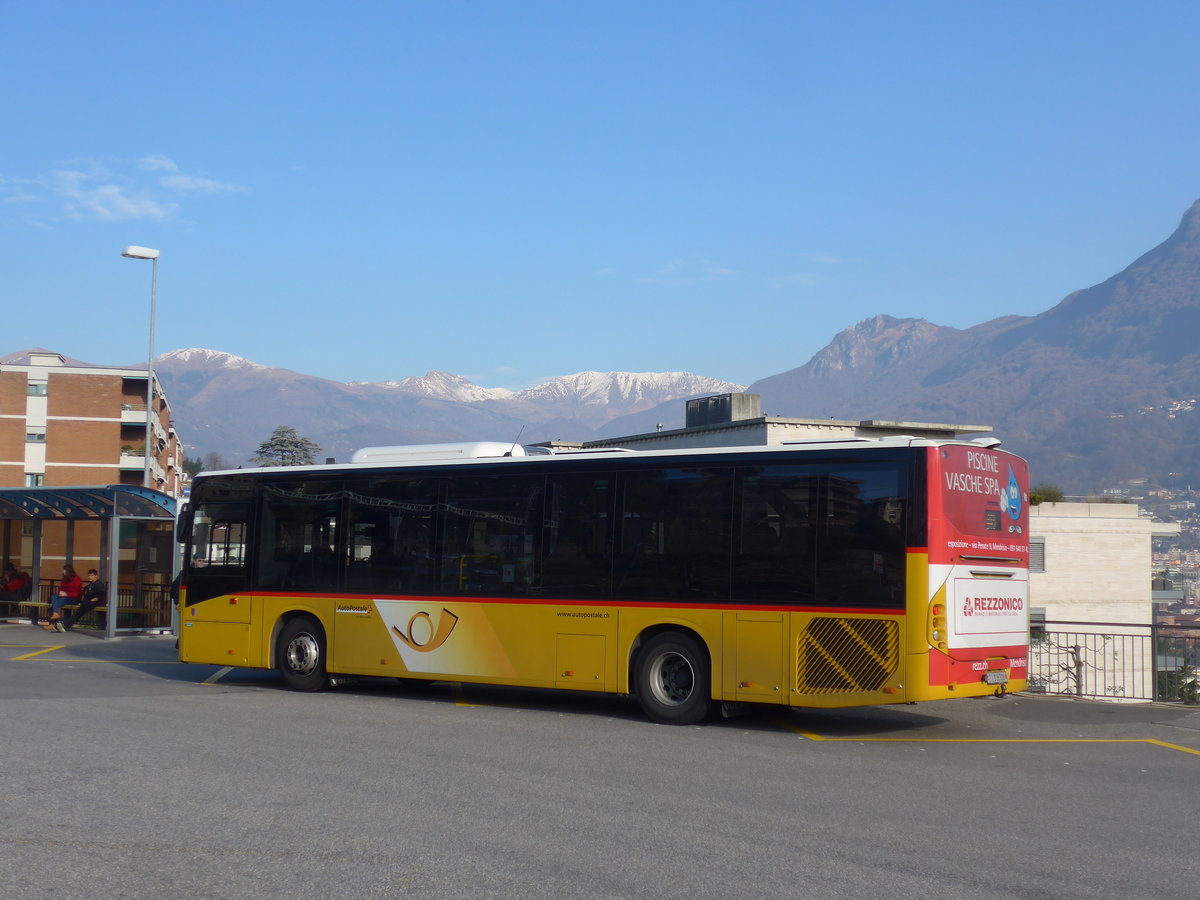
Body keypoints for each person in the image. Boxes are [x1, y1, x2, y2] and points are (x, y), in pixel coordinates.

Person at [44, 564, 82, 631]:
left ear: (68, 571)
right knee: (54, 596)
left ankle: (52, 624)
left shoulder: (77, 579)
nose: (62, 572)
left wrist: (66, 594)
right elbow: (60, 589)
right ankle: (55, 613)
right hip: (64, 597)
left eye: (64, 570)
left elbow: (77, 593)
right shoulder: (64, 579)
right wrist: (60, 593)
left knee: (54, 604)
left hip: (74, 599)